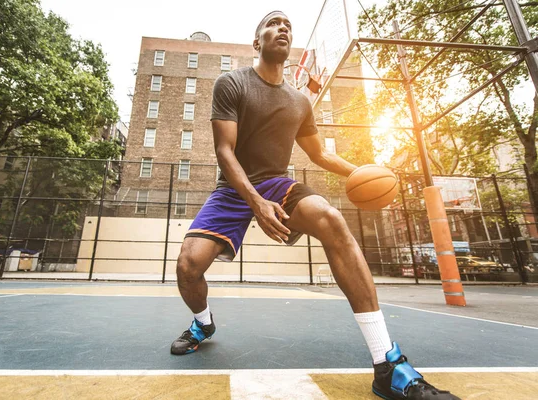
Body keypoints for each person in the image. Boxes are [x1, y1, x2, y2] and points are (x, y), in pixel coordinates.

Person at [169, 10, 459, 400]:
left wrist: (370, 173)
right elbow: (225, 151)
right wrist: (255, 202)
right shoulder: (231, 83)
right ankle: (202, 324)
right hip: (233, 189)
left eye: (288, 24)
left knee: (330, 217)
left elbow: (320, 154)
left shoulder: (299, 102)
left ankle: (387, 364)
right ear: (257, 43)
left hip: (277, 183)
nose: (282, 27)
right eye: (272, 23)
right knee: (188, 266)